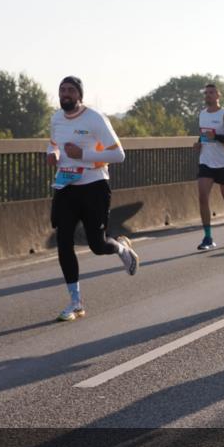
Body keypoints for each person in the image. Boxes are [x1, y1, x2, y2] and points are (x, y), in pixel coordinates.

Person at [47, 76, 139, 322]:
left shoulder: (95, 118)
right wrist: (52, 154)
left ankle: (120, 247)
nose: (65, 94)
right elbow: (53, 143)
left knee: (97, 246)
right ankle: (75, 302)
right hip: (65, 186)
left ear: (79, 95)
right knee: (63, 241)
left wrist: (83, 154)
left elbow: (118, 154)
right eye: (62, 90)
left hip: (94, 185)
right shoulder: (56, 118)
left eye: (70, 90)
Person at [194, 82, 224, 250]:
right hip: (206, 161)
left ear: (218, 96)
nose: (208, 95)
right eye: (206, 93)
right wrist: (199, 144)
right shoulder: (202, 114)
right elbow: (204, 135)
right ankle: (207, 237)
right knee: (202, 197)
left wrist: (217, 136)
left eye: (211, 93)